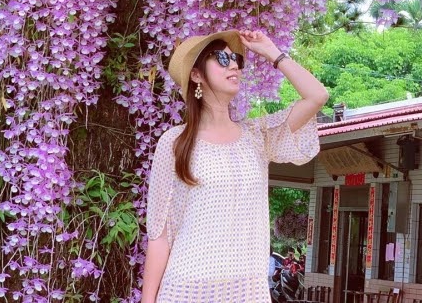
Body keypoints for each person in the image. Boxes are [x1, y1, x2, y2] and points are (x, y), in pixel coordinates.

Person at [141, 28, 329, 303]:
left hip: (247, 291)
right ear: (196, 75)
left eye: (236, 60)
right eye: (221, 58)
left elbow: (317, 96)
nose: (234, 66)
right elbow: (160, 234)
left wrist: (272, 52)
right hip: (186, 288)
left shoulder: (257, 136)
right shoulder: (175, 143)